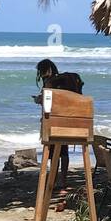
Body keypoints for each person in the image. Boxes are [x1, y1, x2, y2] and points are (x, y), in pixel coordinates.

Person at [34, 59, 84, 194]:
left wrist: (39, 100)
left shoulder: (50, 82)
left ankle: (54, 180)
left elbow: (48, 102)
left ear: (45, 70)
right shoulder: (62, 82)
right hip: (65, 119)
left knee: (51, 152)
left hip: (53, 121)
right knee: (64, 151)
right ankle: (63, 180)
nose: (40, 73)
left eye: (41, 70)